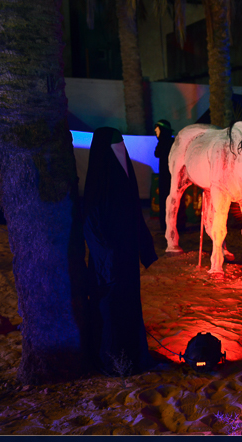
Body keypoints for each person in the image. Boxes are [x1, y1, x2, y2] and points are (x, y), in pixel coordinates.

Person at [84, 127, 158, 375]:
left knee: (128, 305)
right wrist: (108, 254)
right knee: (110, 308)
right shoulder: (98, 183)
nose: (120, 150)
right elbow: (91, 224)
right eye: (116, 146)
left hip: (126, 257)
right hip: (109, 262)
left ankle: (132, 353)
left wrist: (143, 249)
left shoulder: (123, 178)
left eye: (122, 145)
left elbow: (134, 214)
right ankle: (111, 358)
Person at [154, 119, 175, 232]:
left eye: (157, 129)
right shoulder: (171, 141)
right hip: (169, 176)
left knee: (168, 200)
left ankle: (168, 226)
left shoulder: (165, 143)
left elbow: (157, 153)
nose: (155, 131)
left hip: (169, 176)